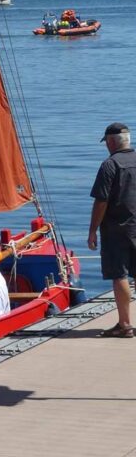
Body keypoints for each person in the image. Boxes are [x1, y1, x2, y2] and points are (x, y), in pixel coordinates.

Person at [88, 121, 136, 338]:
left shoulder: (110, 165)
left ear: (110, 142)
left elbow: (101, 201)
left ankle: (125, 324)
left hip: (117, 230)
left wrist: (92, 231)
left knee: (120, 275)